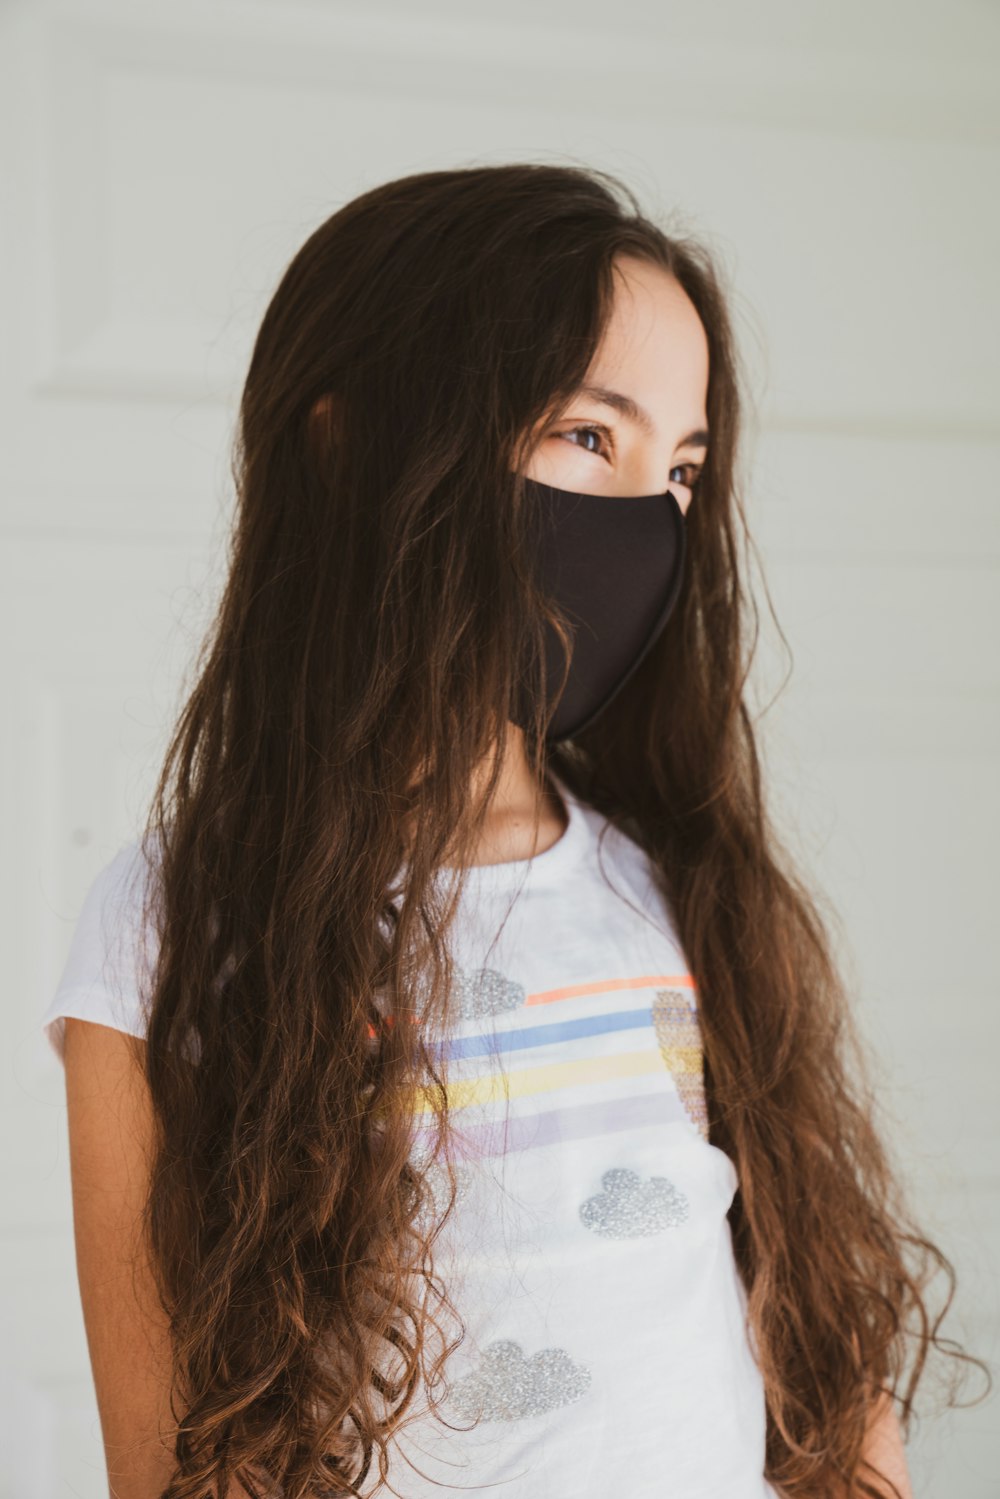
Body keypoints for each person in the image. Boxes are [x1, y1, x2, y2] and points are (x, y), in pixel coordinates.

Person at [41, 162, 986, 1499]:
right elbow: (164, 1465)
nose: (648, 519)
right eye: (590, 438)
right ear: (351, 442)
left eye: (682, 468)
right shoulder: (166, 930)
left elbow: (814, 1379)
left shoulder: (684, 891)